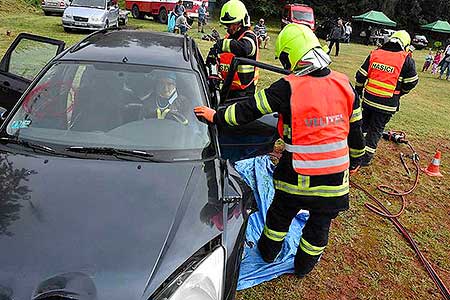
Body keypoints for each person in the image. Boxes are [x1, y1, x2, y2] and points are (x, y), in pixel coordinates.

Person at [194, 24, 365, 277]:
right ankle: (304, 268)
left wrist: (216, 116)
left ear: (291, 54)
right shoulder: (344, 84)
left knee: (279, 217)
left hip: (297, 176)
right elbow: (356, 129)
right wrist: (357, 158)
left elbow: (248, 110)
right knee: (320, 226)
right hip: (335, 180)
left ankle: (267, 253)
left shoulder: (288, 87)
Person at [355, 30, 418, 166]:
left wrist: (358, 90)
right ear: (406, 45)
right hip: (387, 104)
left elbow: (360, 75)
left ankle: (354, 150)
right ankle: (365, 158)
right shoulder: (406, 59)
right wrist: (400, 92)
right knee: (376, 130)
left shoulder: (375, 54)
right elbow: (412, 82)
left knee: (363, 126)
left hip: (369, 100)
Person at [212, 0, 259, 99]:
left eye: (232, 24)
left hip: (244, 93)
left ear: (242, 22)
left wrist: (222, 44)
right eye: (227, 25)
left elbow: (245, 48)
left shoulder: (249, 36)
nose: (229, 28)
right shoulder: (228, 38)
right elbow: (217, 57)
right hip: (228, 89)